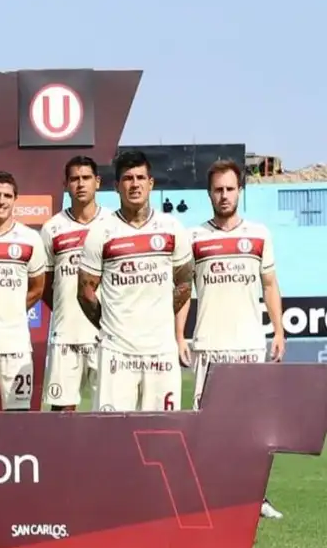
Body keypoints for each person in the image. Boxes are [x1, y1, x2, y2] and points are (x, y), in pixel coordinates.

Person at [175, 159, 285, 519]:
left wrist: (279, 331)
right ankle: (206, 494)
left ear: (240, 191)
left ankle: (256, 497)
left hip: (250, 344)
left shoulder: (259, 234)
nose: (224, 195)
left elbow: (270, 285)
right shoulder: (194, 238)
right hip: (208, 344)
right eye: (218, 189)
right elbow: (183, 290)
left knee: (253, 428)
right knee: (206, 427)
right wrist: (180, 335)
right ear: (209, 193)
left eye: (230, 189)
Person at [77, 150, 194, 412]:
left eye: (141, 177)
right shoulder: (101, 232)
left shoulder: (172, 227)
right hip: (116, 352)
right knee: (111, 436)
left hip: (161, 350)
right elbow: (85, 293)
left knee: (163, 433)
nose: (135, 184)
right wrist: (110, 326)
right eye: (127, 178)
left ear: (151, 183)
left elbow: (185, 284)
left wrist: (161, 316)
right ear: (117, 186)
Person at [40, 156, 112, 411]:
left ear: (98, 182)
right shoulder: (52, 228)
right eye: (74, 179)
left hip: (106, 336)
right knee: (61, 414)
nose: (80, 184)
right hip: (65, 335)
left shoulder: (112, 224)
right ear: (66, 184)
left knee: (108, 414)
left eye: (86, 178)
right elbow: (46, 285)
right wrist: (65, 309)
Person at [0, 171, 47, 412]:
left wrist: (13, 309)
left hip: (15, 344)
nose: (1, 201)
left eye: (7, 195)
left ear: (15, 199)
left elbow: (38, 288)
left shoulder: (30, 238)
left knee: (19, 417)